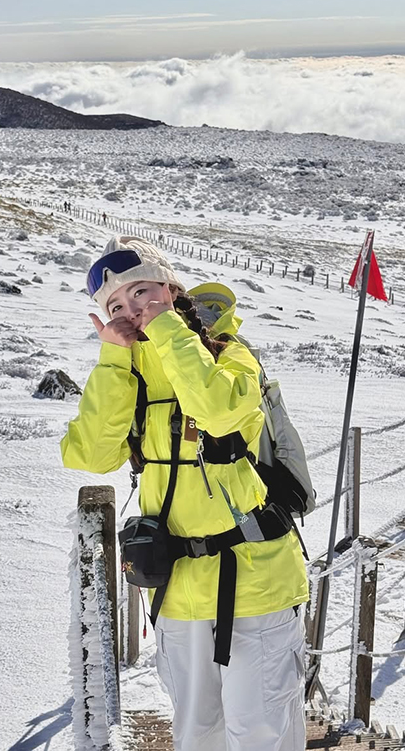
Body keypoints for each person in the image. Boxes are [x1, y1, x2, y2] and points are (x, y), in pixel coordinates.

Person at [61, 236, 308, 751]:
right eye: (115, 306)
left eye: (141, 292)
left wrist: (168, 330)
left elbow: (219, 411)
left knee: (261, 733)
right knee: (196, 734)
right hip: (175, 589)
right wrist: (114, 359)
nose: (132, 309)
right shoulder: (126, 373)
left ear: (171, 289)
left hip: (257, 581)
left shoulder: (230, 354)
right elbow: (89, 454)